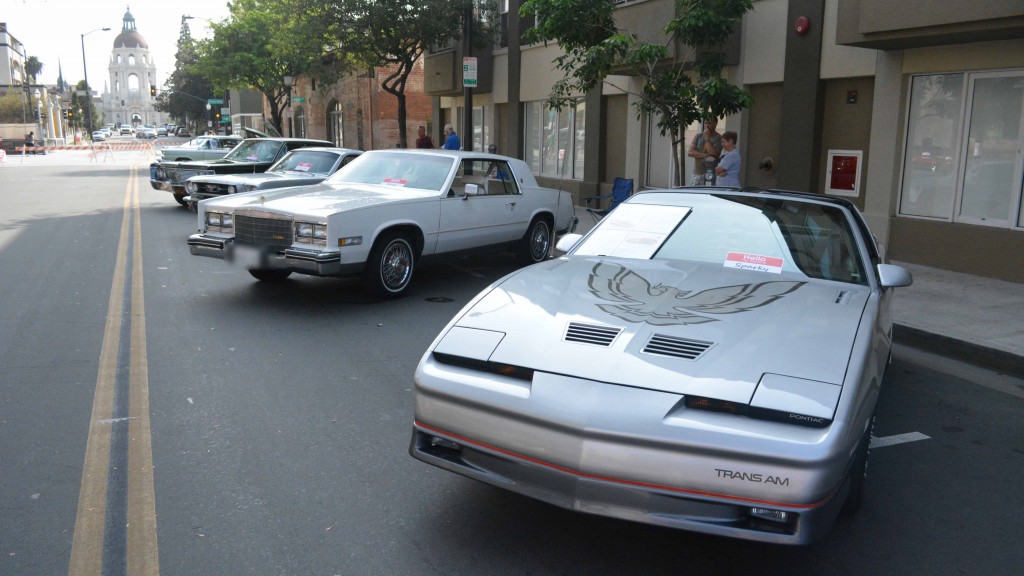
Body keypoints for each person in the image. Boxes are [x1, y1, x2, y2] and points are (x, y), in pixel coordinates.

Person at [687, 118, 722, 185]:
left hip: (710, 174)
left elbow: (713, 155)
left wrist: (706, 138)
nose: (707, 125)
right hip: (697, 174)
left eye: (709, 123)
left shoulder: (719, 138)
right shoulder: (698, 136)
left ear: (715, 124)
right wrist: (706, 155)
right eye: (706, 123)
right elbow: (690, 152)